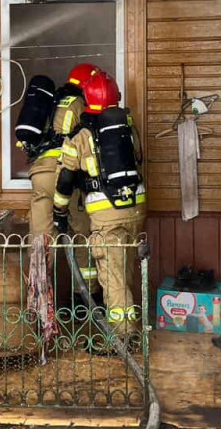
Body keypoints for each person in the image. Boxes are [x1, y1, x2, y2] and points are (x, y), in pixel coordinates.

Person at [52, 71, 146, 343]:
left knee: (113, 278)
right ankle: (129, 329)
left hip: (106, 216)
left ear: (87, 100)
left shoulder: (81, 136)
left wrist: (59, 212)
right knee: (125, 272)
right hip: (136, 209)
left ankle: (125, 338)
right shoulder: (130, 129)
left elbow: (65, 181)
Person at [26, 64, 98, 282]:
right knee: (82, 232)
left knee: (41, 238)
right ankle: (87, 298)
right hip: (64, 174)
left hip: (39, 173)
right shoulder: (80, 104)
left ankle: (38, 299)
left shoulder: (51, 101)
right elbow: (85, 142)